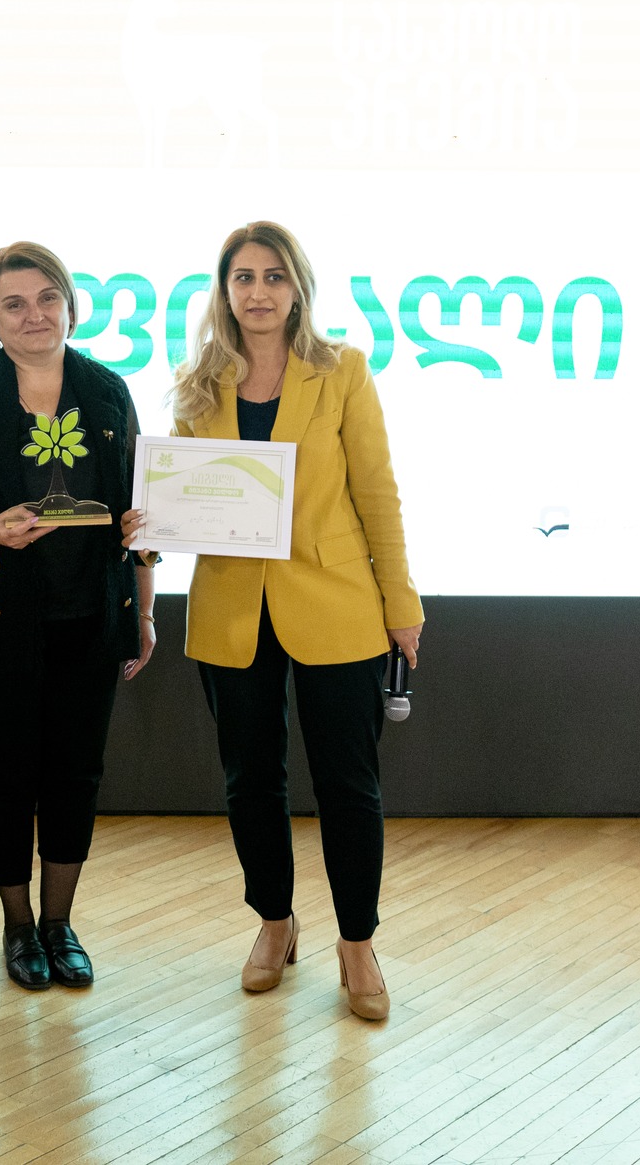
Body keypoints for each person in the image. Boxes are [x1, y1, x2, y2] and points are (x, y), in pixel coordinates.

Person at [167, 220, 423, 1022]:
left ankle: (358, 942)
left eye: (274, 276)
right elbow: (182, 497)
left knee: (349, 783)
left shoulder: (342, 370)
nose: (259, 291)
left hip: (336, 603)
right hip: (231, 610)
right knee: (250, 780)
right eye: (243, 277)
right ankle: (275, 923)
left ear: (298, 288)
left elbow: (377, 492)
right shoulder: (197, 384)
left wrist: (402, 603)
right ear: (224, 291)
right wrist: (151, 525)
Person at [0, 242, 158, 991]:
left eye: (48, 298)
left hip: (91, 616)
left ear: (70, 307)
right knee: (6, 777)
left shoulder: (107, 391)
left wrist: (144, 612)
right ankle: (17, 926)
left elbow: (141, 514)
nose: (34, 315)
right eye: (13, 304)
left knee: (77, 775)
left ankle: (59, 923)